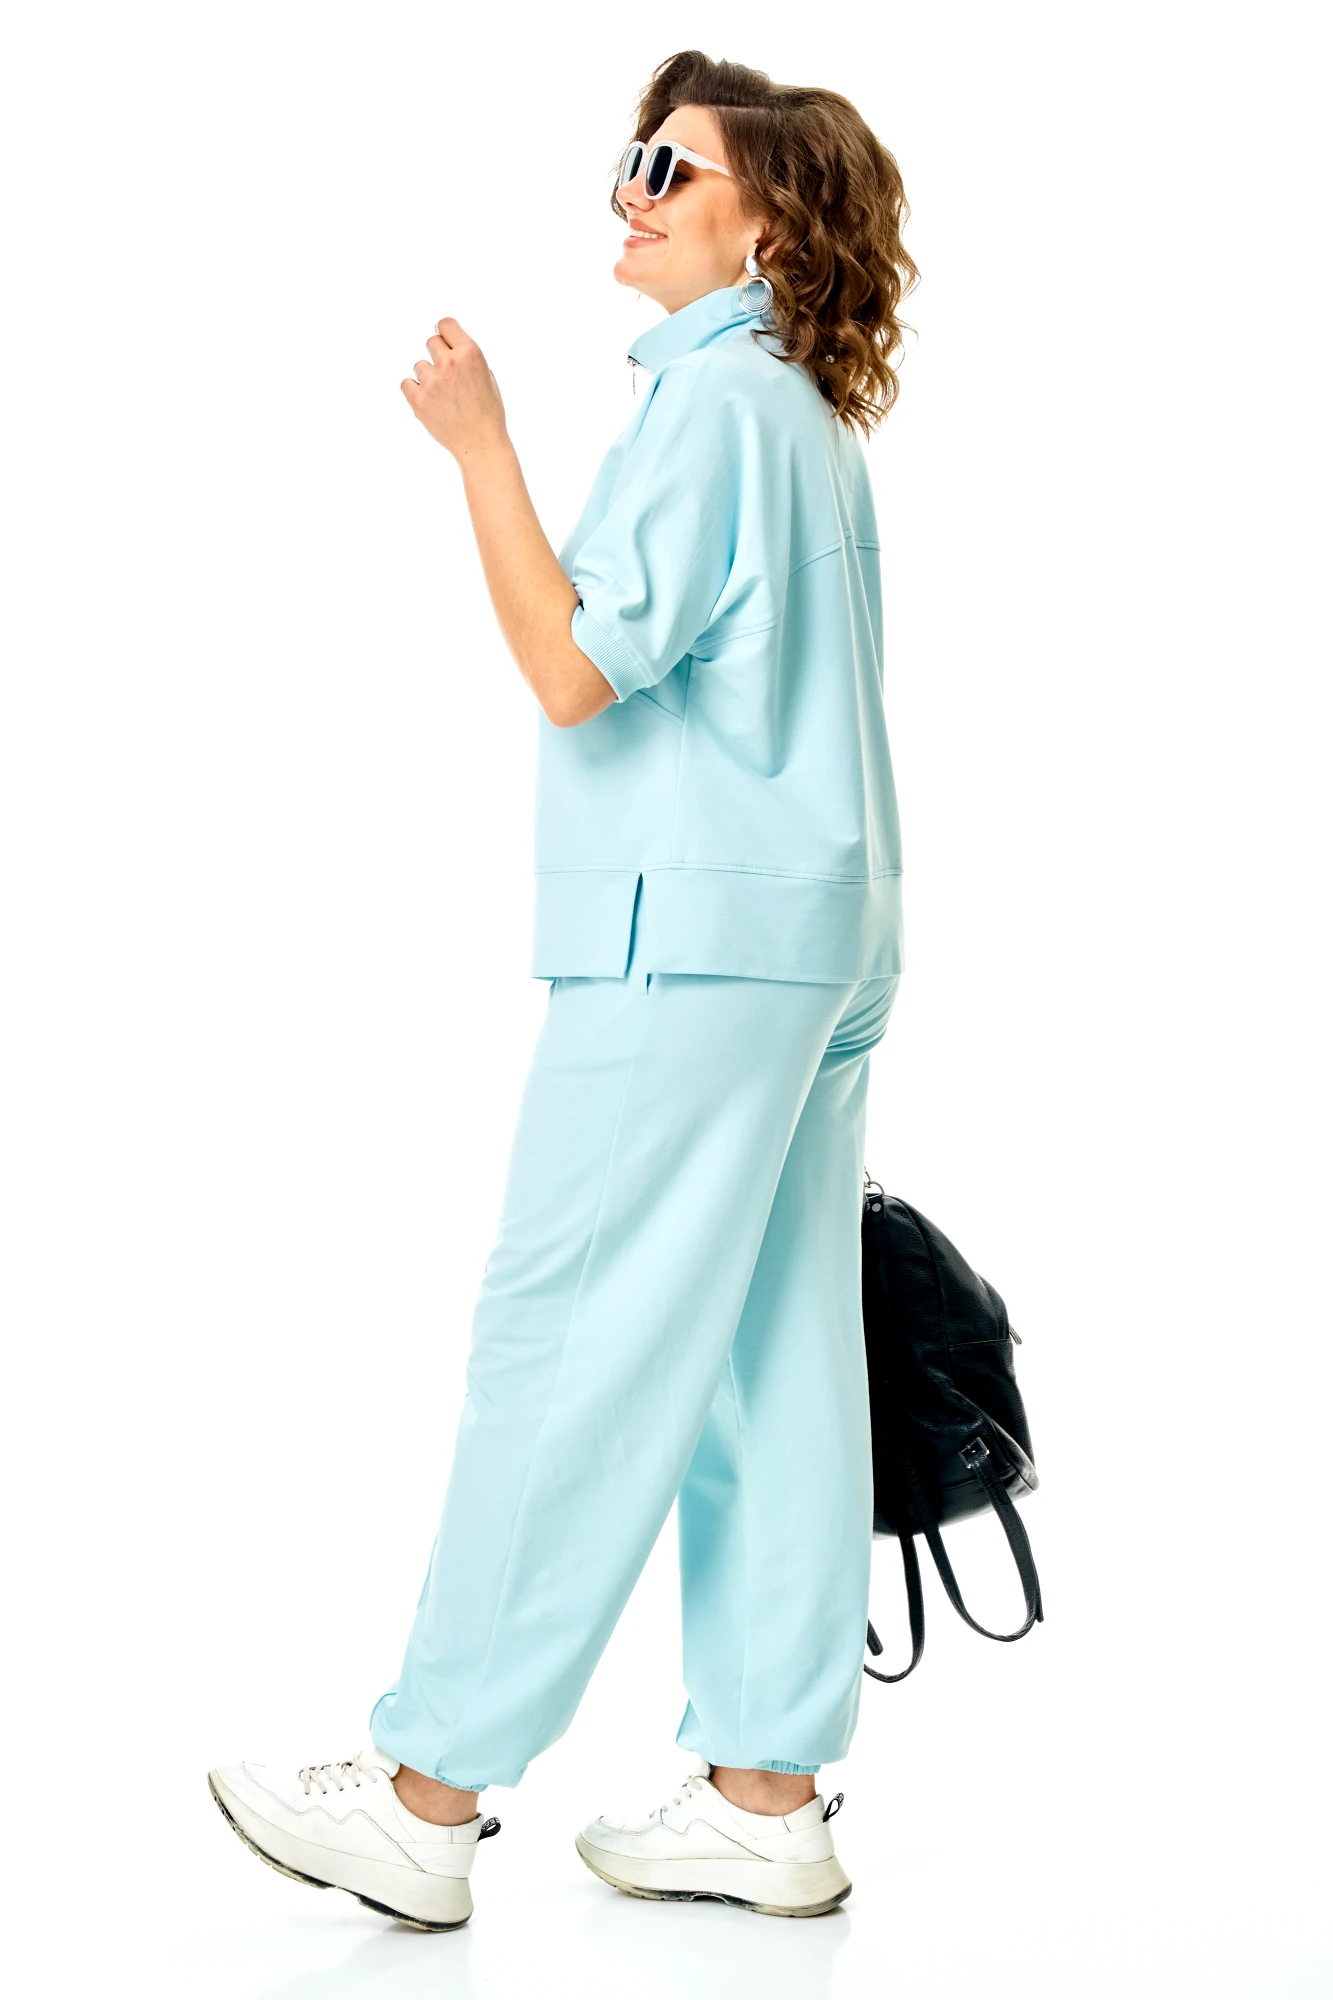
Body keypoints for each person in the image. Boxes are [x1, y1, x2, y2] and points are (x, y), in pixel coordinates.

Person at [208, 48, 918, 1931]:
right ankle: (766, 1797)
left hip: (695, 941)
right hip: (818, 932)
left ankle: (427, 1791)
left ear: (771, 230)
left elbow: (576, 667)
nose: (633, 190)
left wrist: (480, 447)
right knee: (773, 1352)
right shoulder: (801, 417)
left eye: (673, 169)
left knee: (570, 1330)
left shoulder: (713, 408)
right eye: (633, 158)